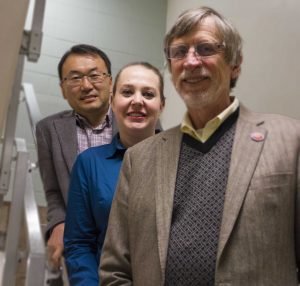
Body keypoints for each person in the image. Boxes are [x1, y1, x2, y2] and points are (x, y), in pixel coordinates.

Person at [99, 6, 300, 286]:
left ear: (235, 64)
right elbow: (115, 271)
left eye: (205, 48)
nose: (191, 62)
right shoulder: (139, 159)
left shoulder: (290, 141)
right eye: (179, 52)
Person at [63, 62, 165, 285]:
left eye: (148, 94)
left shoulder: (183, 160)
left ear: (161, 105)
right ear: (112, 101)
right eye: (127, 92)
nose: (137, 101)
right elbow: (79, 244)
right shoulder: (89, 163)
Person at [36, 44, 117, 274]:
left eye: (94, 75)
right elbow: (53, 190)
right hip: (81, 241)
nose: (86, 85)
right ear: (62, 89)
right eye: (74, 78)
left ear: (110, 82)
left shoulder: (138, 119)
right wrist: (58, 224)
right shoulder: (48, 130)